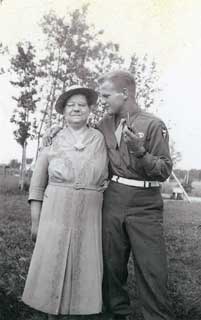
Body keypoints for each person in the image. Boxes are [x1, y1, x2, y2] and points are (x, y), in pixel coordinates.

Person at [42, 71, 174, 320]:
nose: (101, 101)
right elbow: (81, 133)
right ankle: (116, 314)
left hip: (145, 204)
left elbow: (164, 170)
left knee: (152, 269)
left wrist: (141, 152)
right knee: (112, 266)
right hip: (112, 200)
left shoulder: (153, 124)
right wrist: (57, 129)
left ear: (124, 94)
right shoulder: (103, 124)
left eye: (105, 95)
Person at [22, 85, 108, 319]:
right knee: (53, 263)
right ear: (63, 111)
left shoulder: (100, 139)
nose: (77, 109)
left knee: (83, 268)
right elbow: (38, 185)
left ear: (90, 110)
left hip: (89, 214)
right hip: (55, 211)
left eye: (82, 105)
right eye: (71, 105)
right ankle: (51, 314)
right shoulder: (52, 138)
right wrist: (35, 221)